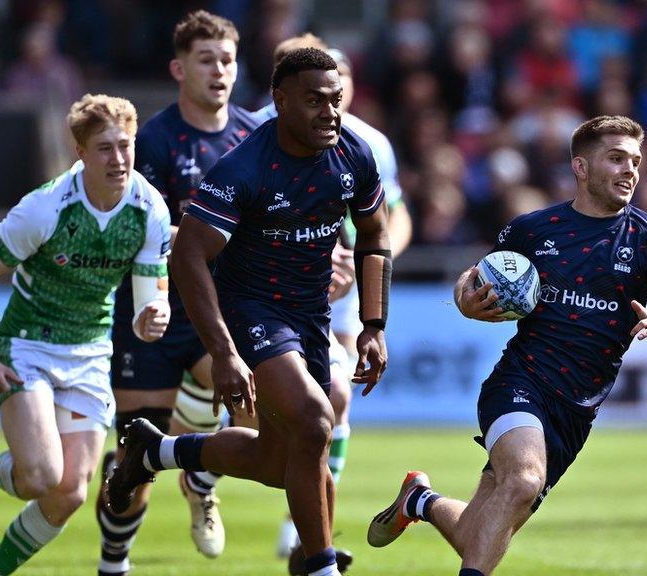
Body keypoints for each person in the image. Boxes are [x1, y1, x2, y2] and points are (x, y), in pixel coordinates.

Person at [367, 115, 647, 576]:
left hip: (577, 410)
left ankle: (421, 501)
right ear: (581, 167)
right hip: (520, 382)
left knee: (478, 532)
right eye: (615, 158)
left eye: (635, 160)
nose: (630, 170)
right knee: (524, 478)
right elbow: (475, 279)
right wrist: (466, 302)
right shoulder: (534, 229)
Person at [106, 48, 392, 576]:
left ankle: (157, 452)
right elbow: (189, 254)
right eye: (314, 101)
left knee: (278, 461)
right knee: (315, 418)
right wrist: (223, 350)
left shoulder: (355, 154)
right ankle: (318, 563)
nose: (330, 112)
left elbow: (375, 235)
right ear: (280, 101)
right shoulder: (242, 168)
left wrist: (374, 325)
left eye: (335, 100)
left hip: (311, 315)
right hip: (249, 308)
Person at [0, 94, 171, 576]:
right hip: (27, 345)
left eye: (126, 146)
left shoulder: (150, 209)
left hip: (90, 352)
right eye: (105, 148)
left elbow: (151, 298)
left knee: (70, 492)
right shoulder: (46, 208)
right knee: (40, 476)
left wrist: (154, 315)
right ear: (80, 152)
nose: (118, 159)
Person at [93, 11, 259, 573]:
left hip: (222, 310)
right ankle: (114, 561)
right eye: (206, 60)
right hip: (151, 312)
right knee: (130, 466)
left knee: (258, 410)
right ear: (178, 68)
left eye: (227, 60)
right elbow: (138, 231)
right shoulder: (154, 141)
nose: (219, 71)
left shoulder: (253, 136)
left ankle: (200, 477)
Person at [251, 32, 414, 562]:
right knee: (267, 430)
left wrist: (374, 270)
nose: (328, 99)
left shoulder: (368, 144)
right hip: (263, 289)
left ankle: (308, 538)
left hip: (338, 286)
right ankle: (177, 457)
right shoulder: (251, 133)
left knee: (334, 402)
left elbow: (385, 224)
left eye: (335, 85)